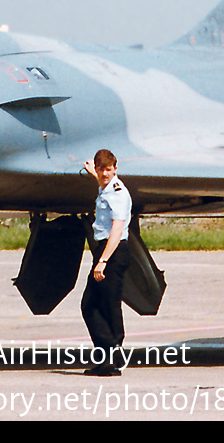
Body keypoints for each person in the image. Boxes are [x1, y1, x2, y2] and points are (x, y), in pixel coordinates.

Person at [81, 149, 133, 376]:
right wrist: (96, 176)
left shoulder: (119, 193)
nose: (104, 173)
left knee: (100, 305)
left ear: (116, 168)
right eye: (101, 169)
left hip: (112, 251)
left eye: (108, 170)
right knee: (99, 304)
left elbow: (117, 230)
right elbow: (104, 188)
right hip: (106, 251)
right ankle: (109, 357)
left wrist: (102, 261)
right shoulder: (107, 187)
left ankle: (112, 352)